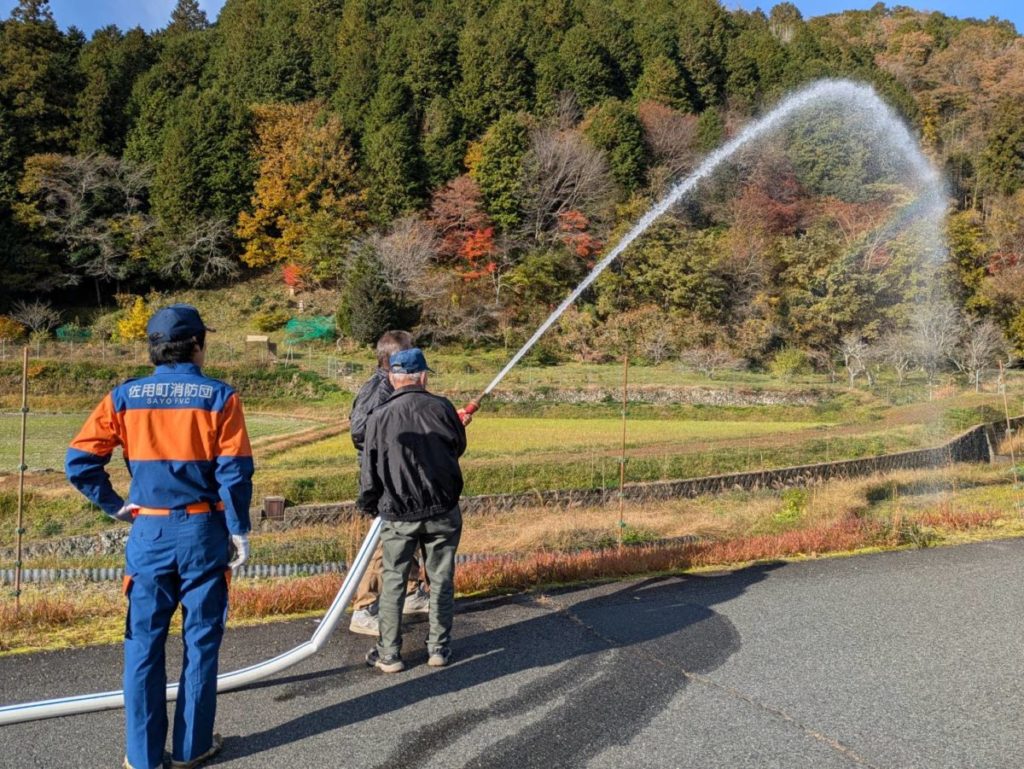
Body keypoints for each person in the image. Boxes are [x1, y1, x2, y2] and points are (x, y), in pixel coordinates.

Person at [65, 304, 253, 769]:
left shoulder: (124, 397)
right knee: (201, 640)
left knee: (143, 644)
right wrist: (238, 528)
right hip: (203, 530)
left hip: (148, 530)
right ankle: (192, 748)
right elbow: (234, 472)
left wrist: (115, 505)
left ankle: (143, 757)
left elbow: (80, 462)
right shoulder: (219, 397)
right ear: (197, 344)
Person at [358, 347, 467, 672]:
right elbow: (458, 447)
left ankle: (389, 654)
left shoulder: (379, 416)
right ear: (422, 377)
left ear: (393, 377)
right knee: (441, 578)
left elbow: (370, 469)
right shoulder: (442, 408)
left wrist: (370, 503)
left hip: (398, 511)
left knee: (393, 579)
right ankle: (439, 649)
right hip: (442, 508)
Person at [347, 330, 429, 636]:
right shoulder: (379, 388)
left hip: (400, 474)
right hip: (385, 478)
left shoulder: (393, 387)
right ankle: (364, 608)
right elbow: (359, 432)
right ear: (394, 359)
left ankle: (411, 592)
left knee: (408, 531)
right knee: (384, 540)